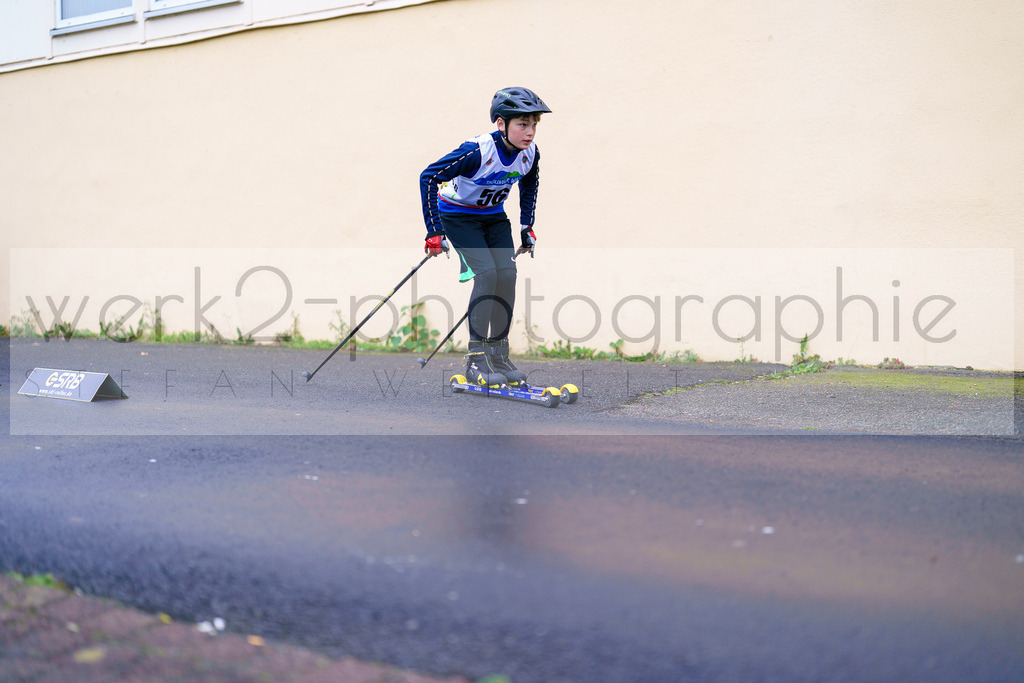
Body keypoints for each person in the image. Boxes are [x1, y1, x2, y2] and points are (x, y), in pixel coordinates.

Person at [420, 87, 551, 388]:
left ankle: (498, 354)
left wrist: (525, 226)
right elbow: (428, 176)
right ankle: (476, 359)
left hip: (493, 217)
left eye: (534, 125)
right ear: (501, 124)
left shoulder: (530, 153)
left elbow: (529, 186)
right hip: (458, 216)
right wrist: (434, 230)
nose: (530, 132)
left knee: (507, 274)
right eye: (522, 124)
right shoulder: (477, 151)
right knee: (487, 274)